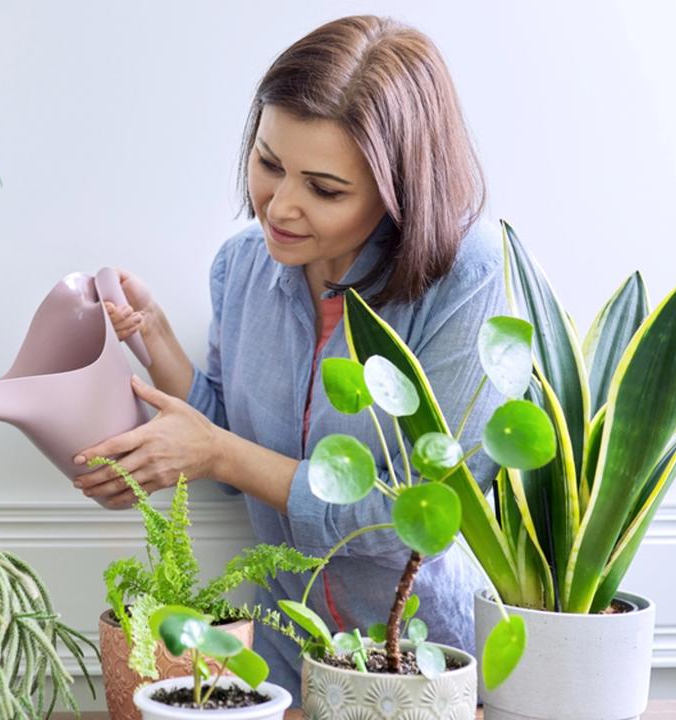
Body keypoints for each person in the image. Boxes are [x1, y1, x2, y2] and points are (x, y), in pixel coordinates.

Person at [71, 15, 507, 700]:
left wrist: (213, 451)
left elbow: (414, 515)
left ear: (400, 192)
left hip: (426, 668)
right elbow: (233, 458)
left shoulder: (466, 276)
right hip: (280, 663)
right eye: (269, 163)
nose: (280, 206)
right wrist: (151, 334)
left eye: (326, 189)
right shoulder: (242, 267)